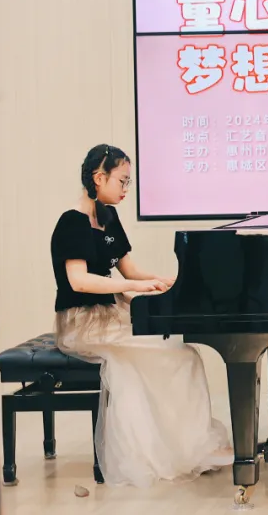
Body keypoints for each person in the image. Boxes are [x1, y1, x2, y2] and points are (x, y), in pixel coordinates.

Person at [51, 144, 232, 487]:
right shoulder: (72, 222)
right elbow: (80, 281)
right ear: (98, 177)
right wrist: (137, 286)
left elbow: (129, 270)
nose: (125, 189)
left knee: (181, 352)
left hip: (109, 315)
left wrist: (167, 281)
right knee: (176, 355)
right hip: (82, 323)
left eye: (128, 182)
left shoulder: (108, 217)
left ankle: (187, 445)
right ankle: (179, 450)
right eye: (121, 181)